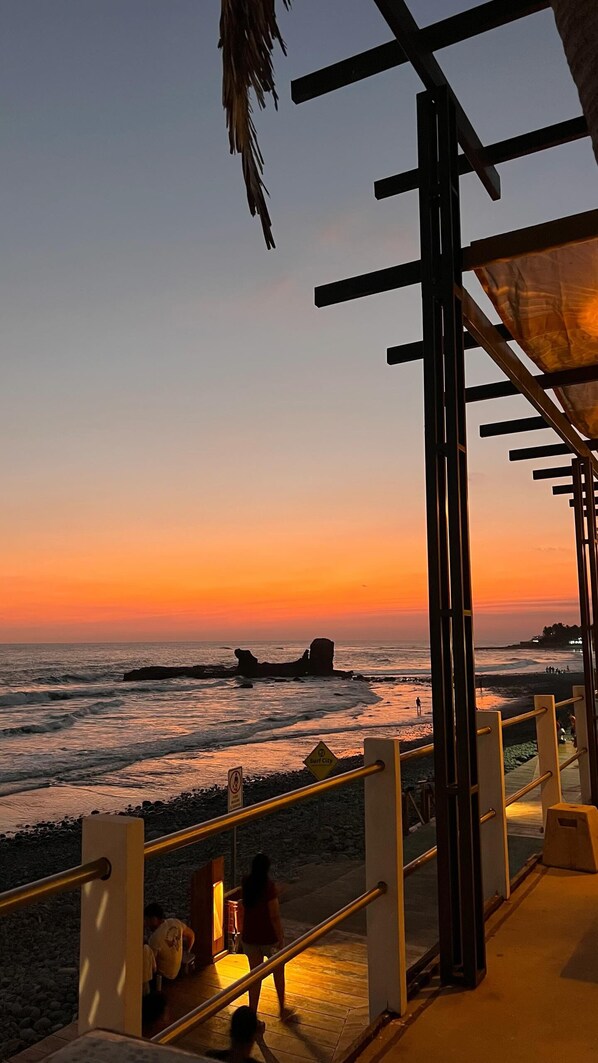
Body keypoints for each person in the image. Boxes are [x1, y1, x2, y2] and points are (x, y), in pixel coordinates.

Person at [239, 854, 295, 1022]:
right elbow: (274, 916)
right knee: (278, 971)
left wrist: (241, 932)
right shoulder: (268, 886)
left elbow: (244, 907)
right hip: (268, 937)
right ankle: (282, 1009)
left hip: (250, 936)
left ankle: (252, 1014)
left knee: (255, 977)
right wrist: (280, 937)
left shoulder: (246, 882)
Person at [144, 902, 195, 982]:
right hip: (178, 972)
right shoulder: (175, 922)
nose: (146, 923)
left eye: (147, 920)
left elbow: (152, 967)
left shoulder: (155, 938)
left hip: (164, 978)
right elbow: (191, 935)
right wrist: (187, 951)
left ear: (154, 919)